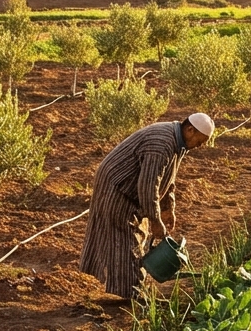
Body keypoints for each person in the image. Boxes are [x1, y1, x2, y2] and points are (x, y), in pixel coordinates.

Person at [79, 112, 214, 299]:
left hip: (131, 190)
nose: (200, 146)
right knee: (126, 237)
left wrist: (167, 208)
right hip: (117, 186)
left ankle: (130, 289)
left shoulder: (179, 144)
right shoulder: (162, 144)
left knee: (135, 236)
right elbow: (148, 186)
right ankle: (130, 294)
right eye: (200, 141)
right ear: (190, 130)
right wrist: (155, 220)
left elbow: (168, 178)